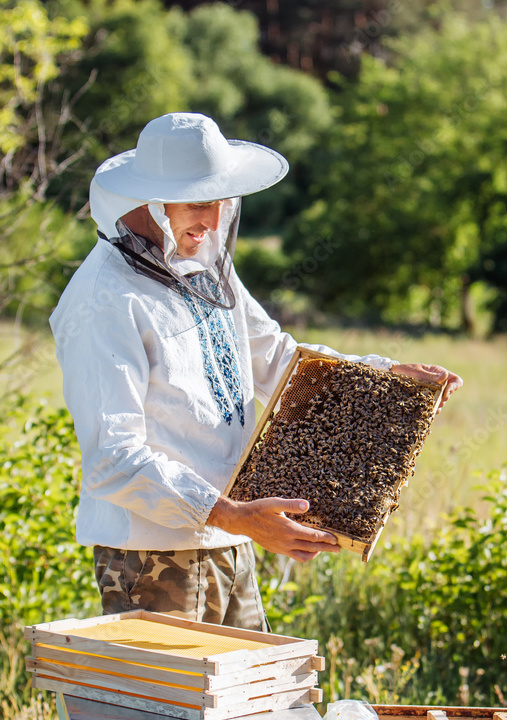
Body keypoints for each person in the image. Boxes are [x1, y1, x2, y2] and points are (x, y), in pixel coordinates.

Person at [50, 113, 462, 631]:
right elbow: (114, 457)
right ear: (150, 201)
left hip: (228, 540)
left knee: (251, 705)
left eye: (222, 201)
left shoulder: (198, 259)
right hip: (153, 558)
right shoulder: (102, 301)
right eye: (200, 202)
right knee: (180, 711)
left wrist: (385, 378)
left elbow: (275, 358)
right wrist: (232, 514)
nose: (216, 220)